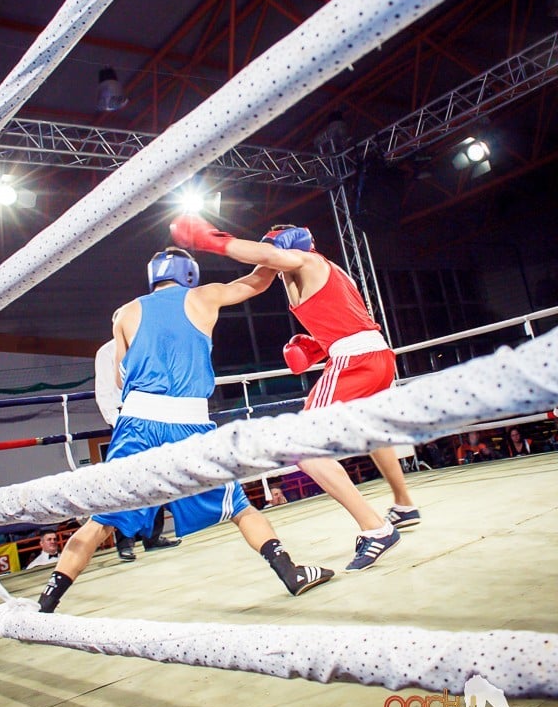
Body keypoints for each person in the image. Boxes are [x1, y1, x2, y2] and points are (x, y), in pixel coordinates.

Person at [38, 247, 333, 613]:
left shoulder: (126, 313)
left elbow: (119, 377)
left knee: (102, 518)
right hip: (187, 423)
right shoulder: (202, 296)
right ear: (189, 274)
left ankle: (47, 602)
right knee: (238, 507)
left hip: (136, 424)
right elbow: (257, 282)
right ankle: (291, 572)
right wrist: (277, 252)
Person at [171, 215, 420, 571]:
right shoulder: (326, 272)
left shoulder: (304, 260)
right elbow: (344, 318)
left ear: (284, 247)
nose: (267, 261)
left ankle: (375, 529)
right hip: (376, 354)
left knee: (302, 446)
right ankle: (404, 504)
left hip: (356, 360)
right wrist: (318, 346)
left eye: (271, 252)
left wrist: (210, 240)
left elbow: (264, 256)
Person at [94, 313, 181, 561]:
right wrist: (117, 422)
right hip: (128, 419)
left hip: (155, 416)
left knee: (159, 477)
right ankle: (125, 543)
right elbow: (104, 389)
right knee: (129, 482)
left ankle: (152, 537)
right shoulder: (107, 351)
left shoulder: (150, 346)